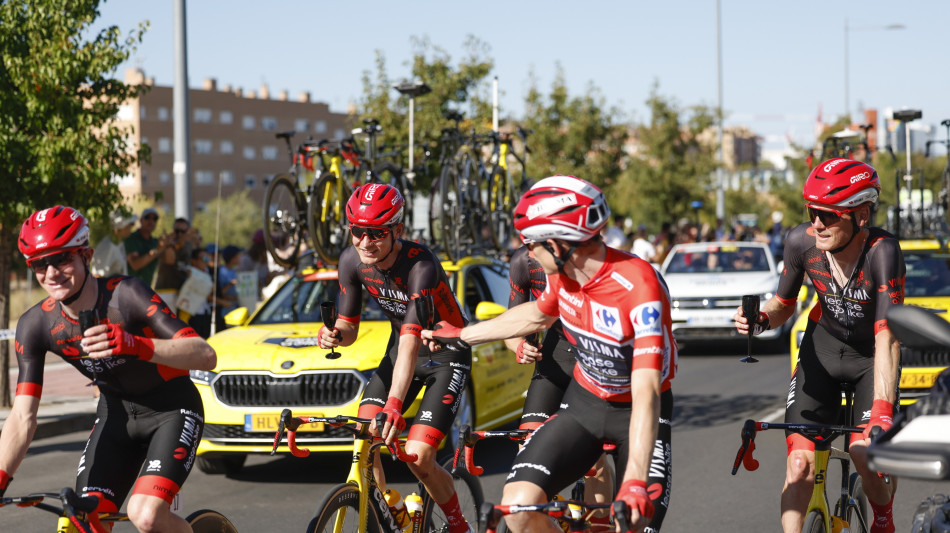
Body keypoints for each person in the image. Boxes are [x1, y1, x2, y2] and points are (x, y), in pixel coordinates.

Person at [421, 176, 676, 533]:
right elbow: (538, 313)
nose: (528, 253)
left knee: (633, 522)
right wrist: (463, 336)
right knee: (518, 506)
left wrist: (634, 478)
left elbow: (647, 387)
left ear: (557, 244)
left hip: (637, 411)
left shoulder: (639, 286)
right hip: (584, 405)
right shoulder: (564, 275)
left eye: (531, 243)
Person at [1, 206, 217, 533]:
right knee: (79, 522)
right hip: (116, 417)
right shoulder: (36, 324)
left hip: (173, 410)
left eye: (62, 259)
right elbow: (22, 417)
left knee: (145, 515)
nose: (51, 272)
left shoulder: (125, 294)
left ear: (86, 255)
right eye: (39, 264)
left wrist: (135, 345)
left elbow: (204, 355)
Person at [733, 158, 904, 533]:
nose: (817, 224)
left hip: (870, 358)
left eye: (828, 215)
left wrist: (881, 410)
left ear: (860, 215)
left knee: (863, 451)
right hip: (822, 350)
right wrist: (761, 319)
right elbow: (784, 306)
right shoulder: (800, 242)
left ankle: (885, 521)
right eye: (812, 212)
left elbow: (887, 335)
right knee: (799, 466)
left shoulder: (883, 252)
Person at [317, 183, 475, 533]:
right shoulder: (352, 261)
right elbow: (349, 327)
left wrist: (394, 403)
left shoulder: (421, 264)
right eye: (357, 231)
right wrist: (332, 335)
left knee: (419, 457)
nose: (364, 242)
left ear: (398, 230)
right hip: (402, 351)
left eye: (375, 233)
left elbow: (410, 340)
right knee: (364, 435)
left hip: (444, 356)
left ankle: (458, 523)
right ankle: (392, 509)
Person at [504, 244, 614, 530]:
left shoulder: (584, 255)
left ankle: (600, 526)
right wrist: (518, 346)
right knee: (528, 444)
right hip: (554, 360)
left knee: (595, 459)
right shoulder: (522, 261)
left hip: (591, 360)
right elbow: (512, 322)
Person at [154, 217, 198, 313]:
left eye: (183, 231)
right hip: (166, 292)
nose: (180, 234)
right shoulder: (168, 244)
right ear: (173, 231)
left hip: (182, 293)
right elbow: (172, 254)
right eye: (177, 231)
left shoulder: (188, 245)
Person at [125, 207, 167, 286]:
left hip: (146, 291)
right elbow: (135, 265)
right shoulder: (131, 238)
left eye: (155, 219)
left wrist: (167, 244)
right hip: (130, 289)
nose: (151, 221)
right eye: (147, 217)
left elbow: (169, 260)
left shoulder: (155, 242)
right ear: (141, 220)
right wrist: (157, 250)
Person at [90, 210, 137, 277]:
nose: (130, 227)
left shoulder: (119, 244)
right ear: (119, 228)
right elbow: (97, 275)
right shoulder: (107, 246)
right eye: (129, 224)